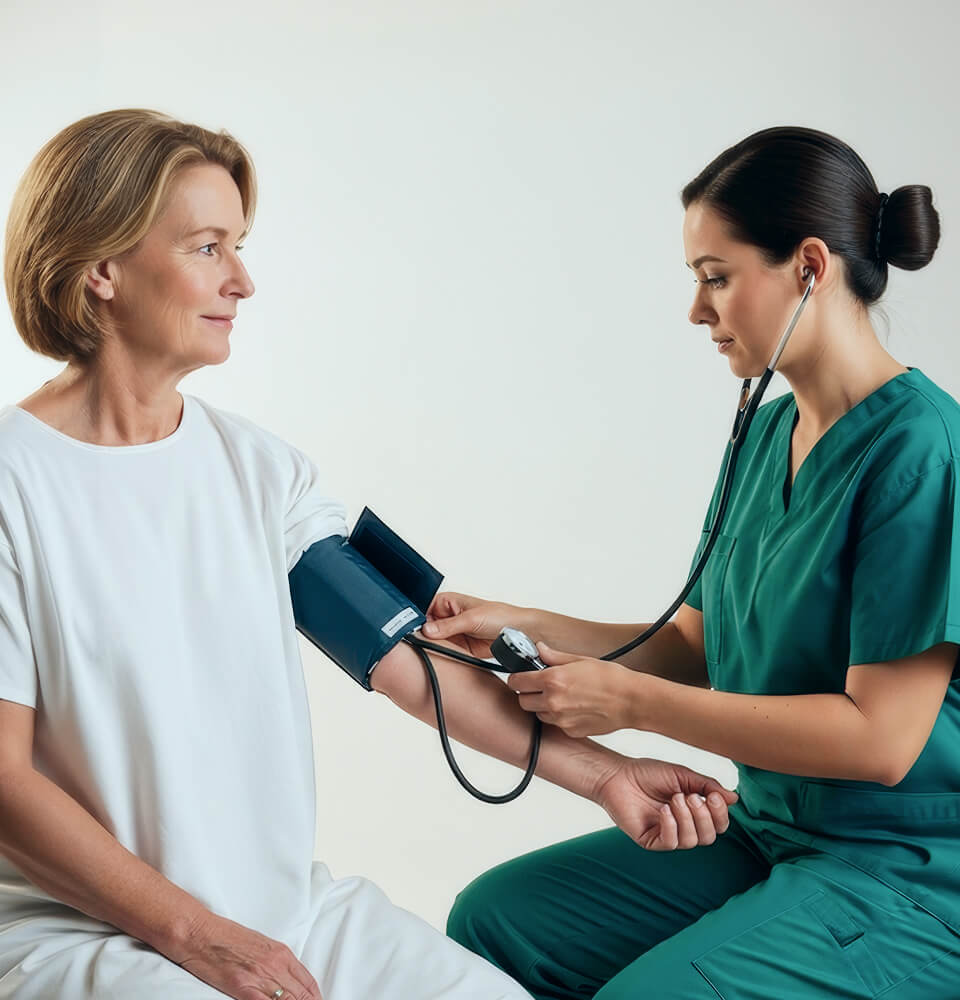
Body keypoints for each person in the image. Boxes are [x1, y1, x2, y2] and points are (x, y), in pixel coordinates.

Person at [0, 108, 742, 1000]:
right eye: (206, 247)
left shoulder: (260, 471)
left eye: (239, 244)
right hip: (81, 932)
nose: (242, 280)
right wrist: (199, 939)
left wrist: (609, 776)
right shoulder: (16, 484)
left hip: (285, 916)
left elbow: (408, 663)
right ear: (101, 268)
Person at [424, 127, 960, 998]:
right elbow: (692, 641)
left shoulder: (921, 453)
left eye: (716, 277)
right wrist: (520, 624)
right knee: (496, 918)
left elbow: (883, 740)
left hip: (906, 874)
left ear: (809, 267)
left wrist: (634, 705)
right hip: (771, 832)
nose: (697, 310)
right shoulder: (768, 432)